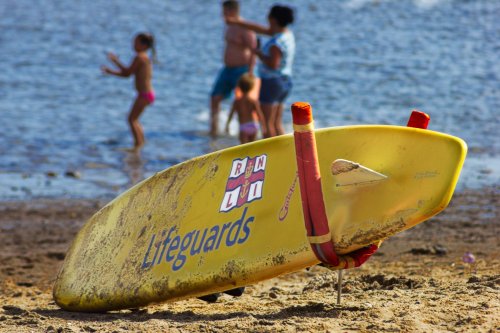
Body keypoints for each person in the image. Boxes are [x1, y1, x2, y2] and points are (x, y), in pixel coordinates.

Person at [227, 5, 295, 138]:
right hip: (285, 82)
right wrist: (238, 22)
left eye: (268, 16)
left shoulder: (276, 43)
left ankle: (272, 154)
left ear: (273, 19)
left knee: (267, 124)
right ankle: (285, 151)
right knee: (276, 122)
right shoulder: (286, 34)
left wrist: (259, 54)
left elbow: (273, 64)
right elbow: (264, 30)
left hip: (272, 82)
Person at [210, 0, 257, 138]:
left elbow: (253, 50)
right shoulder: (229, 27)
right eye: (223, 12)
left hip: (241, 70)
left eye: (225, 12)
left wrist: (251, 72)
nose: (223, 16)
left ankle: (246, 133)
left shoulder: (244, 27)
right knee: (215, 98)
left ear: (234, 11)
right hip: (227, 70)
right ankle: (214, 132)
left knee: (243, 102)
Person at [101, 33, 156, 151]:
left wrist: (115, 62)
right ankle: (141, 144)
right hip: (147, 94)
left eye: (135, 42)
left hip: (144, 95)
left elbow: (127, 73)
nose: (133, 45)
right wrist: (112, 69)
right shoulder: (145, 57)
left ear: (144, 45)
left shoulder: (140, 57)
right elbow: (127, 73)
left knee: (131, 119)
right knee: (135, 120)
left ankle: (137, 146)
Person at [225, 74, 267, 143]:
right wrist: (264, 127)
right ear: (251, 87)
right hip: (253, 125)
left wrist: (227, 124)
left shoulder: (237, 101)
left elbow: (231, 114)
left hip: (243, 127)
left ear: (239, 87)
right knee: (252, 146)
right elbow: (260, 115)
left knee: (244, 148)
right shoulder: (253, 101)